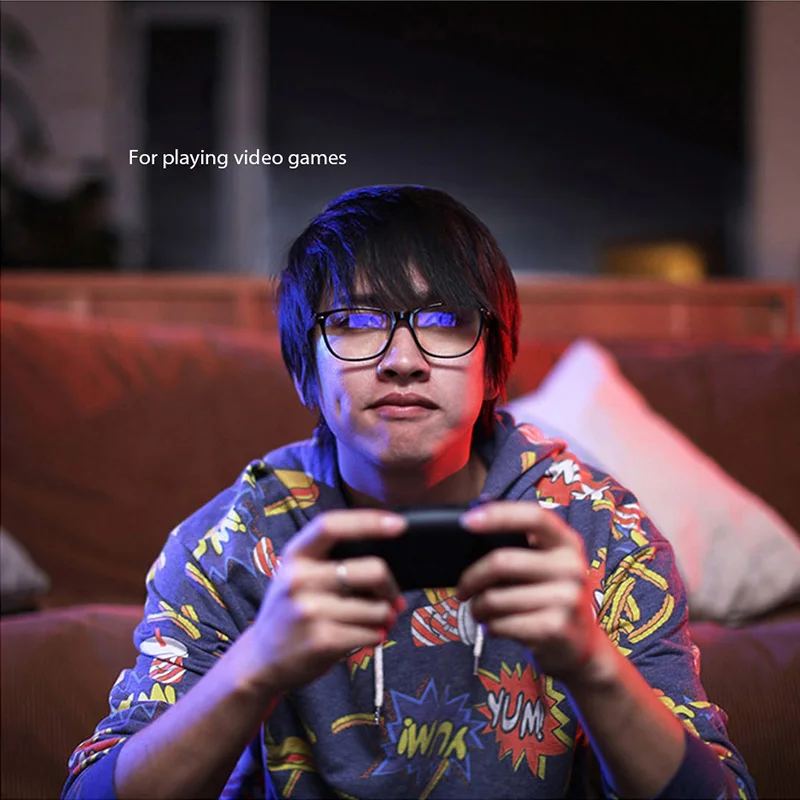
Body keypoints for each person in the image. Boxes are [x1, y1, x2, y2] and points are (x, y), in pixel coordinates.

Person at [63, 186, 755, 799]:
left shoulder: (597, 530)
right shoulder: (235, 543)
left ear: (494, 367)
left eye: (444, 320)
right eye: (356, 322)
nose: (402, 360)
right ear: (304, 373)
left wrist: (591, 666)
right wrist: (255, 667)